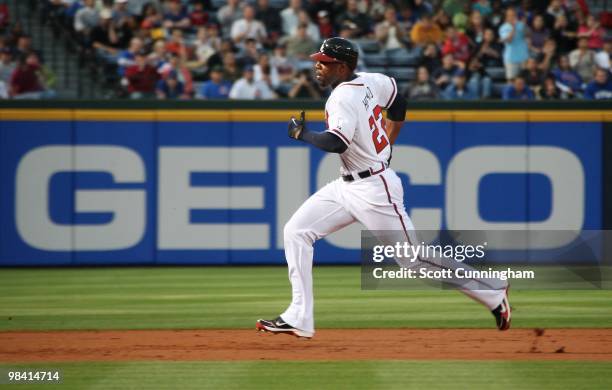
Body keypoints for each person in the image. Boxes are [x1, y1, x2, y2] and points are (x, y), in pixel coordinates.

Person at [255, 37, 511, 339]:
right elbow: (398, 102)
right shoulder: (371, 81)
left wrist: (302, 134)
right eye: (317, 61)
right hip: (346, 185)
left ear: (342, 66)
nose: (317, 67)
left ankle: (492, 290)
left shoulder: (341, 98)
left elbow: (336, 142)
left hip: (375, 190)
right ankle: (299, 316)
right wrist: (388, 142)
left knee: (414, 260)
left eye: (324, 63)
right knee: (296, 231)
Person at [499, 8, 529, 81]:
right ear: (506, 17)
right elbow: (509, 40)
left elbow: (528, 35)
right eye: (510, 15)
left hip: (523, 57)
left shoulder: (521, 24)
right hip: (511, 59)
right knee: (511, 81)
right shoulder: (503, 27)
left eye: (513, 15)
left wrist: (524, 25)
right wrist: (514, 27)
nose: (512, 17)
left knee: (524, 80)